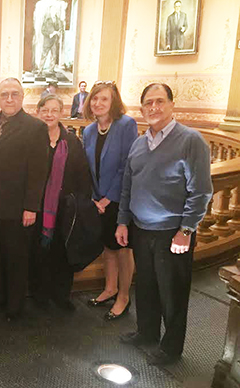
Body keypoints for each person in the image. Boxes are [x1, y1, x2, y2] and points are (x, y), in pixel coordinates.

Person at [116, 83, 212, 365]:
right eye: (148, 103)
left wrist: (186, 230)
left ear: (172, 105)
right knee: (145, 286)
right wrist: (123, 221)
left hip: (173, 232)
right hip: (141, 228)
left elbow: (201, 191)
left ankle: (171, 349)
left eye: (159, 101)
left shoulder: (191, 141)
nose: (154, 108)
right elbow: (127, 187)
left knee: (172, 292)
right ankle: (146, 334)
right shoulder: (138, 143)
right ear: (142, 108)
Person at [0, 77, 48, 321]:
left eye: (14, 94)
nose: (9, 99)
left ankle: (14, 307)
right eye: (4, 94)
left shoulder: (35, 127)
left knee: (16, 259)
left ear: (22, 97)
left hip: (18, 207)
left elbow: (38, 172)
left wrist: (31, 206)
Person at [30, 95, 92, 311]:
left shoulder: (72, 142)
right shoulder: (32, 139)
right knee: (39, 252)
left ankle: (61, 296)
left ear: (61, 113)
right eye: (45, 110)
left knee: (62, 253)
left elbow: (83, 175)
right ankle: (40, 295)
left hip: (65, 209)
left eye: (54, 110)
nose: (49, 114)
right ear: (38, 112)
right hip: (37, 208)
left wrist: (80, 203)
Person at [82, 81, 138, 321]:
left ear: (113, 101)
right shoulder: (89, 131)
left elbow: (128, 165)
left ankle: (124, 297)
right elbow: (89, 168)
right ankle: (110, 288)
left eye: (104, 99)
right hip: (99, 200)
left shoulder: (126, 125)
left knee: (123, 248)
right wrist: (95, 198)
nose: (98, 103)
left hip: (120, 198)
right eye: (94, 99)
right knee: (108, 247)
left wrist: (108, 198)